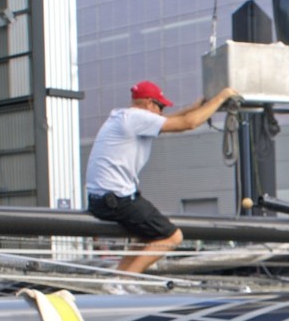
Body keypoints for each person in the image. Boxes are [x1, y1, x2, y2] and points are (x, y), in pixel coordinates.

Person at [85, 80, 238, 287]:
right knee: (172, 237)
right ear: (149, 103)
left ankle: (117, 281)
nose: (162, 111)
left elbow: (168, 119)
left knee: (149, 236)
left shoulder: (124, 116)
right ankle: (122, 283)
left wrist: (196, 107)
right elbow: (188, 124)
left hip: (103, 198)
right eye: (161, 106)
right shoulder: (136, 118)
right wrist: (222, 96)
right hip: (117, 198)